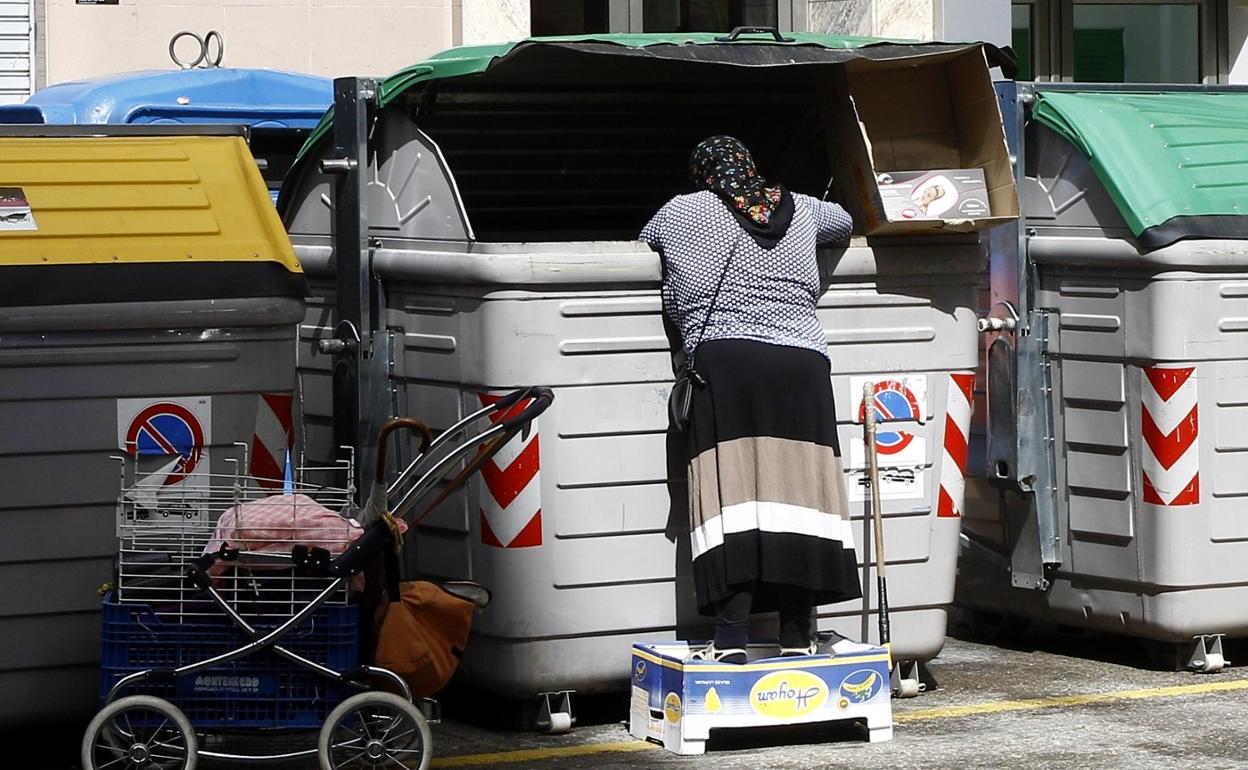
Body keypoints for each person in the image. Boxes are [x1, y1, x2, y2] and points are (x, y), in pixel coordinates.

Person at [640, 136, 864, 664]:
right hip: (801, 367)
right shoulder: (802, 207)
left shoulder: (682, 211)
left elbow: (644, 238)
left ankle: (732, 640)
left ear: (702, 173)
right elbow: (845, 222)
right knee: (800, 497)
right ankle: (794, 632)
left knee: (731, 496)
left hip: (728, 366)